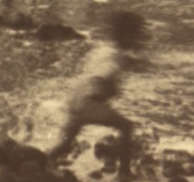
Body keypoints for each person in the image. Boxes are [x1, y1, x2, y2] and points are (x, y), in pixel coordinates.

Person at [49, 8, 146, 160]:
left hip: (74, 100)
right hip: (89, 103)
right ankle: (125, 170)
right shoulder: (119, 57)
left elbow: (90, 75)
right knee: (126, 126)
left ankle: (43, 161)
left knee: (64, 144)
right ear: (129, 35)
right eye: (136, 35)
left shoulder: (102, 50)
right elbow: (107, 75)